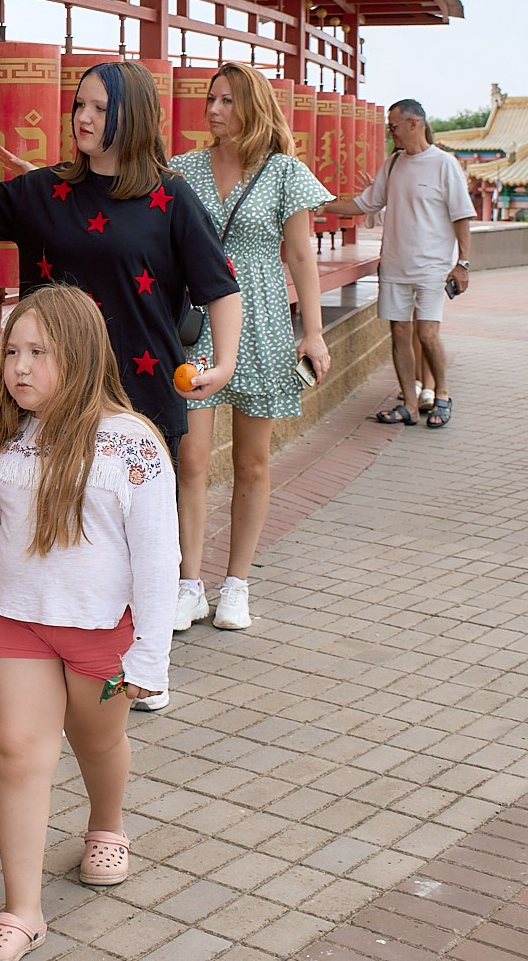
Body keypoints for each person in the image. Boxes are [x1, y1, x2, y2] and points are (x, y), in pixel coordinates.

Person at [0, 285, 178, 961]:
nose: (18, 367)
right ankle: (22, 910)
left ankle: (108, 825)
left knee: (97, 744)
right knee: (21, 756)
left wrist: (150, 656)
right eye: (12, 352)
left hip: (99, 632)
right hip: (18, 623)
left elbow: (157, 556)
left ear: (82, 358)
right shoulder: (11, 437)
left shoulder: (131, 443)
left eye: (38, 353)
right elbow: (13, 534)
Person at [0, 58, 242, 466]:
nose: (83, 117)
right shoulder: (41, 190)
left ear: (136, 116)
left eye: (100, 109)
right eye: (79, 106)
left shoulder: (170, 197)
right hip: (47, 398)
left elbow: (220, 287)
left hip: (141, 399)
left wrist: (225, 365)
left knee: (138, 528)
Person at [166, 63, 333, 641]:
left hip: (262, 324)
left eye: (227, 101)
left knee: (253, 463)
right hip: (200, 325)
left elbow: (303, 257)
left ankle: (236, 582)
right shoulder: (182, 169)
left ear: (252, 106)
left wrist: (312, 332)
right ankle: (190, 583)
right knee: (190, 459)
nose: (213, 110)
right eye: (211, 99)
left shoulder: (286, 173)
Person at [323, 97, 474, 429]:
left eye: (393, 127)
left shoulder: (444, 164)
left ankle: (442, 396)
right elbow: (366, 204)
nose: (391, 134)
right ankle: (407, 401)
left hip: (433, 267)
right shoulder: (392, 164)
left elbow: (462, 216)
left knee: (428, 333)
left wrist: (462, 263)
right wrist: (323, 205)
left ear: (413, 123)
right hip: (394, 265)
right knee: (399, 331)